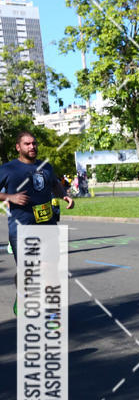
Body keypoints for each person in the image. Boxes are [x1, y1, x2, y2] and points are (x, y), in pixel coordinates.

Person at [0, 131, 74, 314]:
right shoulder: (8, 169)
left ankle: (52, 312)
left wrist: (64, 195)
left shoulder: (45, 166)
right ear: (18, 147)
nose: (32, 146)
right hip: (22, 228)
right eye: (27, 144)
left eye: (34, 143)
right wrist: (10, 197)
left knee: (50, 268)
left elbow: (54, 184)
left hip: (47, 226)